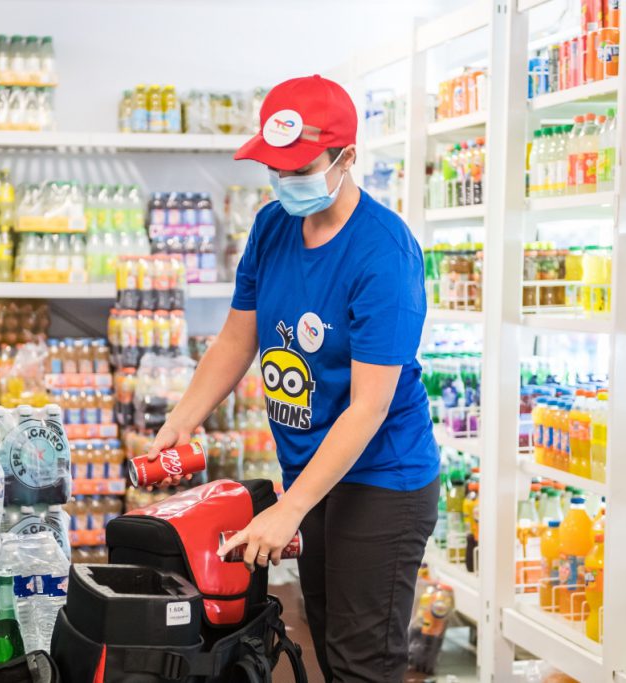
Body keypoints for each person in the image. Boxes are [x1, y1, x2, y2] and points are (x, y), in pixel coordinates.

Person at [145, 75, 439, 682]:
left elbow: (368, 408)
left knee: (364, 662)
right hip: (314, 470)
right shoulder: (273, 226)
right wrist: (183, 417)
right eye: (275, 168)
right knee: (330, 638)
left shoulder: (384, 255)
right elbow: (237, 337)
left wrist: (290, 509)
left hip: (383, 478)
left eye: (299, 167)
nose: (284, 182)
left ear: (347, 157)